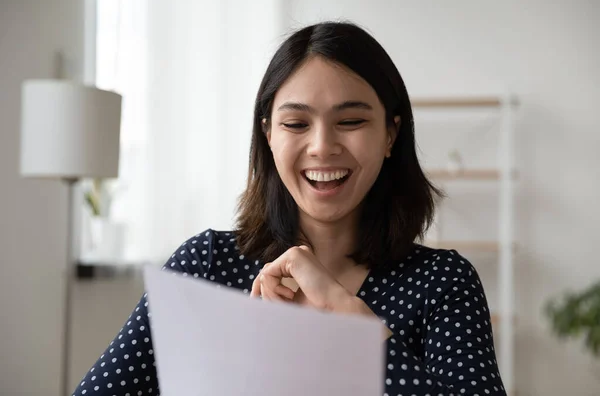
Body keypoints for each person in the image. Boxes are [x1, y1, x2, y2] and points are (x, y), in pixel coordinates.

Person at [73, 21, 506, 396]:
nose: (321, 147)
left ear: (391, 134)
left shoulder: (443, 283)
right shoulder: (206, 266)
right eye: (296, 124)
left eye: (351, 121)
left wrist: (346, 314)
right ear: (268, 135)